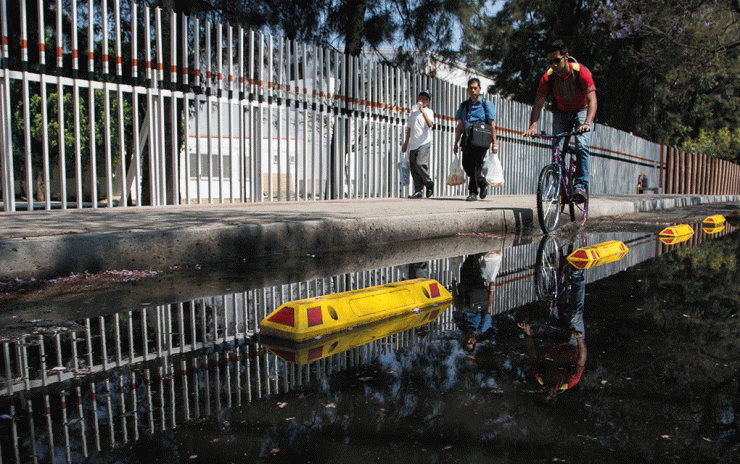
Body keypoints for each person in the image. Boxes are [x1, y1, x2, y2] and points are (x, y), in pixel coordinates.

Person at [523, 40, 597, 204]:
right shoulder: (547, 77)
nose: (553, 65)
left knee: (582, 145)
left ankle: (580, 187)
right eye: (550, 62)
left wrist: (587, 123)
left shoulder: (581, 72)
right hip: (562, 112)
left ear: (566, 57)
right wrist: (532, 126)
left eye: (556, 60)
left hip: (581, 110)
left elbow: (592, 101)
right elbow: (538, 104)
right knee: (557, 150)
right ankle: (558, 189)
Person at [453, 78, 498, 201]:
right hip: (467, 138)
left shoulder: (486, 104)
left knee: (475, 165)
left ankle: (473, 192)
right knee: (466, 165)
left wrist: (495, 143)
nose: (473, 90)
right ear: (467, 90)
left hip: (480, 139)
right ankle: (482, 183)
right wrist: (456, 143)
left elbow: (492, 124)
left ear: (479, 89)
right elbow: (460, 126)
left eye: (475, 88)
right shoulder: (464, 105)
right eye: (470, 88)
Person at [451, 252, 500, 352]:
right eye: (471, 343)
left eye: (466, 342)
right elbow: (488, 308)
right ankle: (476, 250)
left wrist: (454, 287)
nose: (469, 340)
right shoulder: (483, 327)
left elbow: (457, 306)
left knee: (465, 266)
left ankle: (473, 250)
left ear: (463, 340)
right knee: (475, 264)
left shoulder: (461, 325)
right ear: (475, 342)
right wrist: (491, 291)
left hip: (465, 288)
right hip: (478, 288)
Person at [402, 90, 435, 198]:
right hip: (413, 144)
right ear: (417, 98)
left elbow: (430, 124)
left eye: (426, 99)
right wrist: (406, 143)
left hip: (424, 142)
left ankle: (429, 183)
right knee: (414, 168)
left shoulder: (429, 111)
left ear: (429, 101)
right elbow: (410, 128)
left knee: (420, 164)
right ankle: (418, 190)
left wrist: (423, 111)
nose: (423, 100)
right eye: (421, 98)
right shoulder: (413, 112)